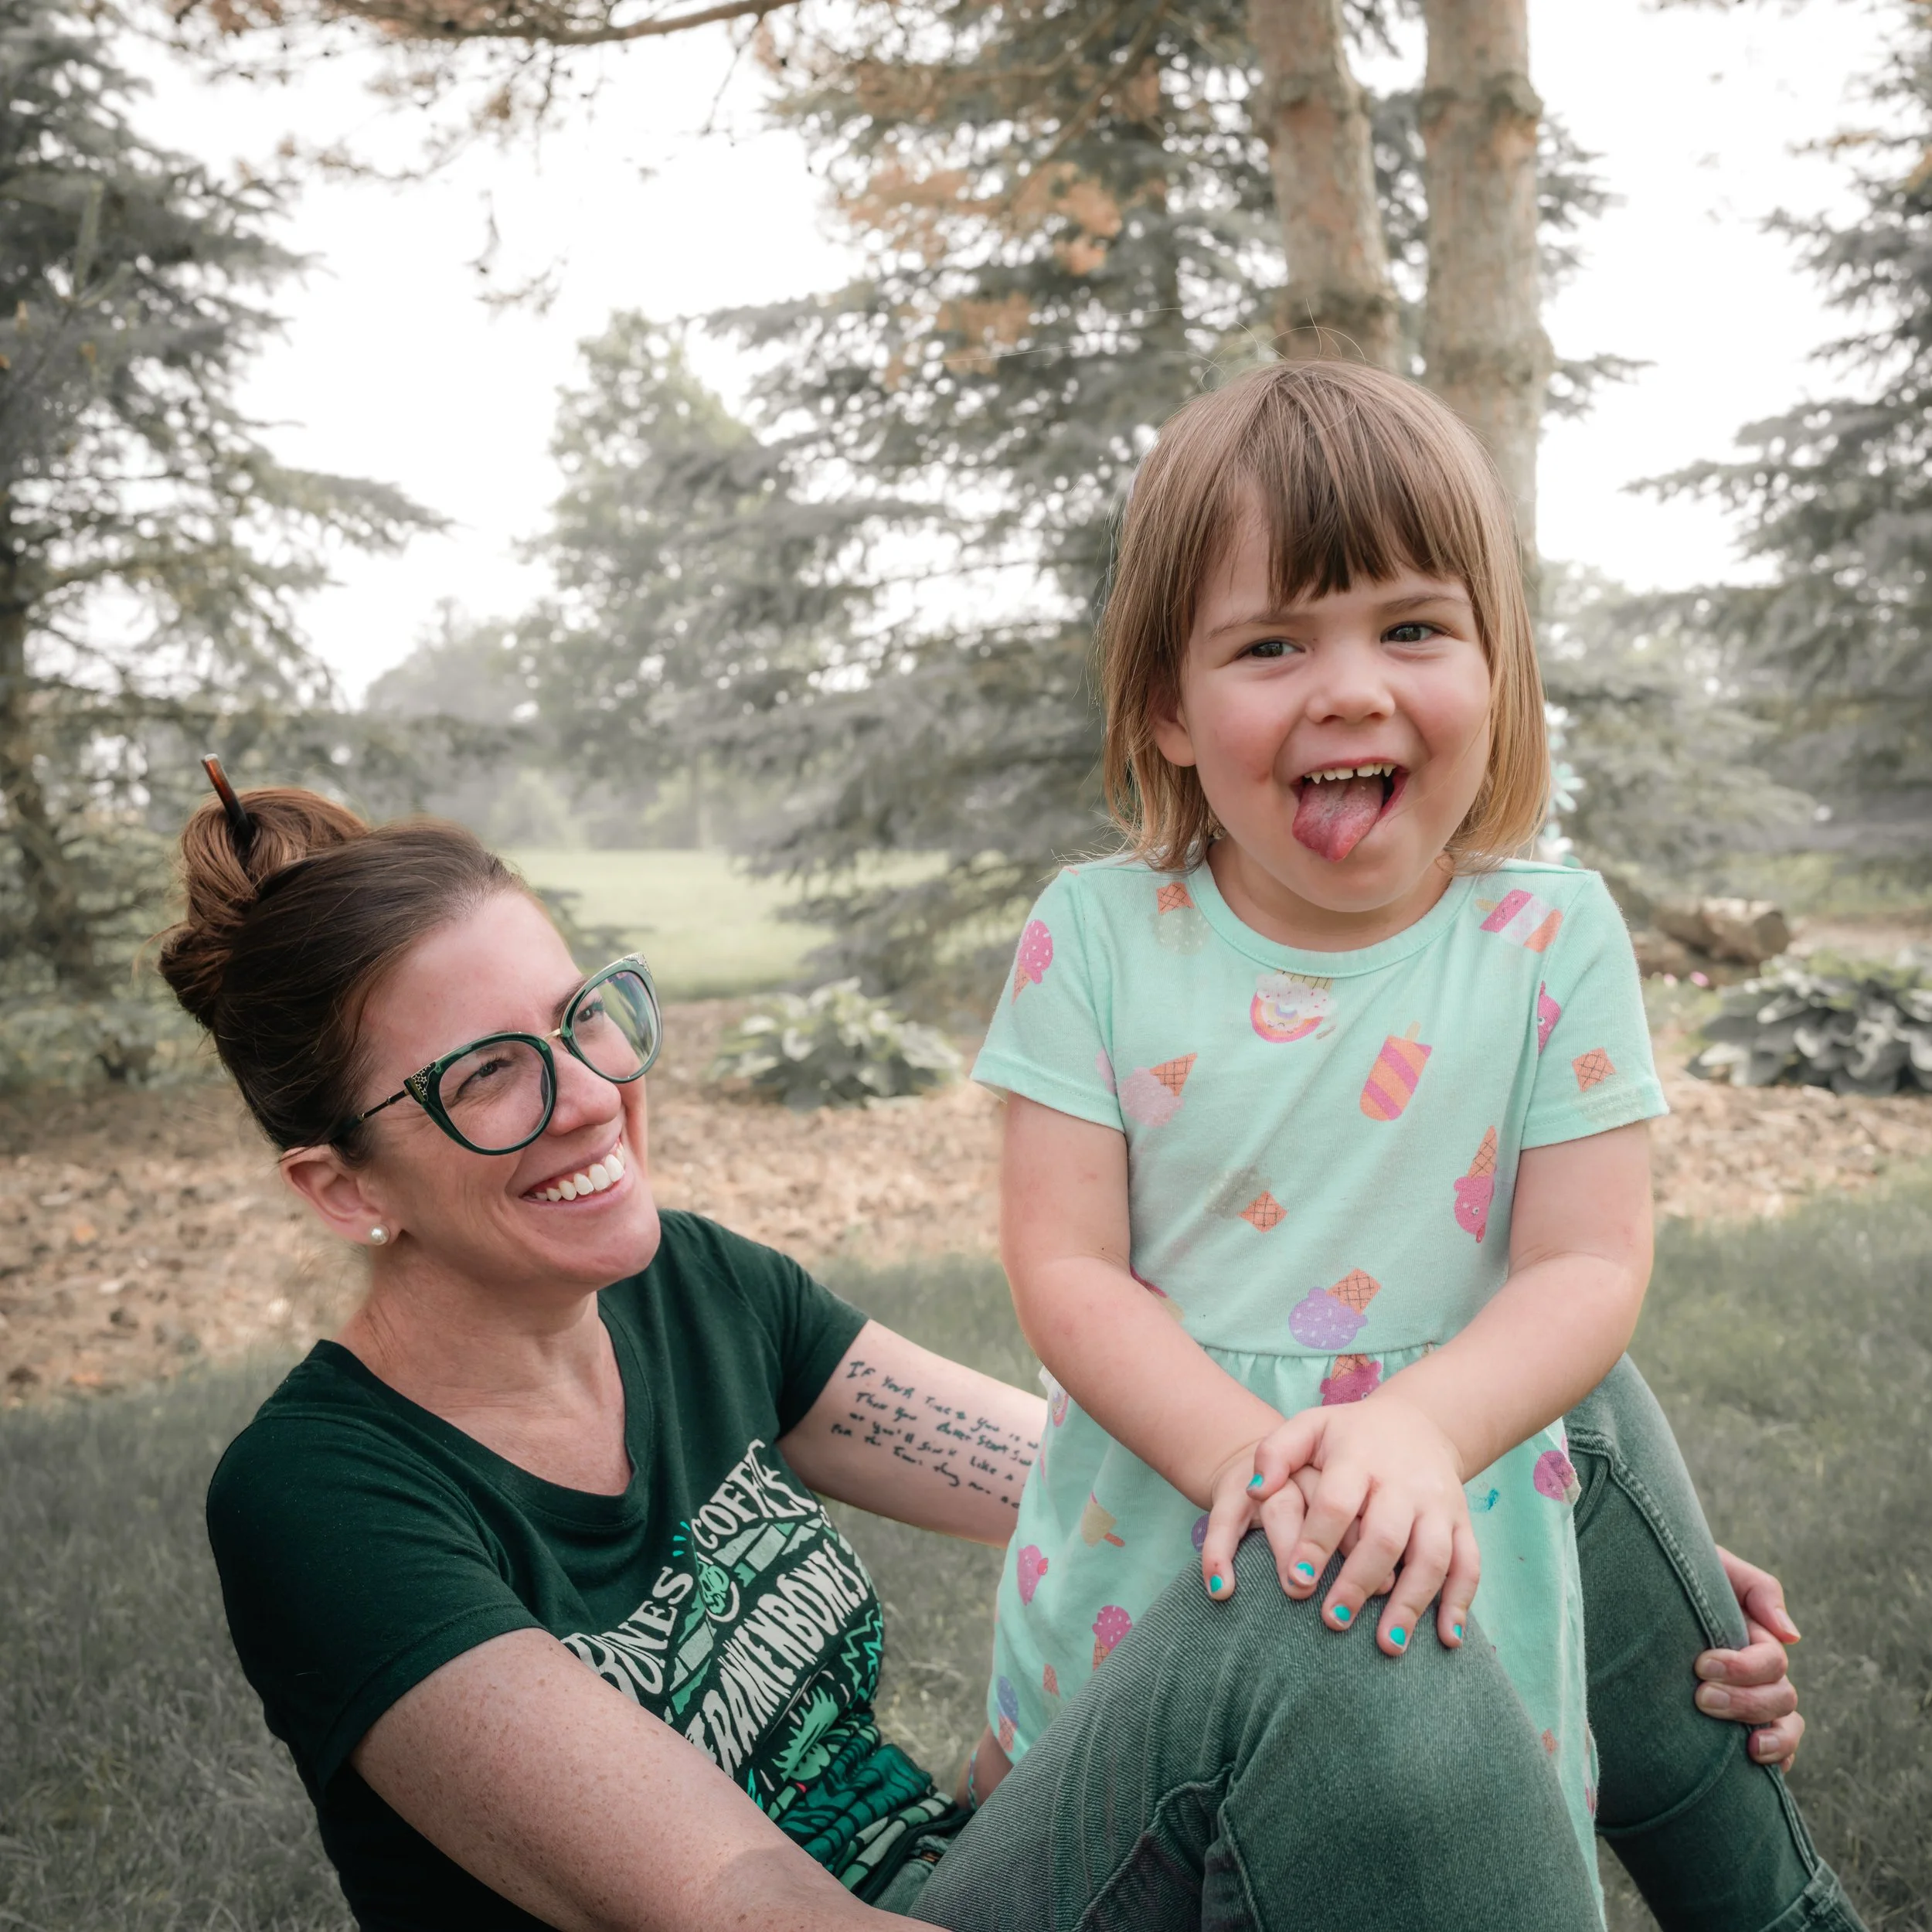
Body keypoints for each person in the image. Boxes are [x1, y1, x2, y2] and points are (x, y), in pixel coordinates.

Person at [158, 770, 1849, 1932]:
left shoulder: (689, 1287)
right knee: (1319, 1588)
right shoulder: (322, 1496)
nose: (592, 1090)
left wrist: (1526, 1510)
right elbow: (733, 1904)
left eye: (583, 1014)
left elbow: (1087, 1465)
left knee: (1492, 1412)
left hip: (978, 1864)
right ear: (335, 1183)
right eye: (488, 1076)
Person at [957, 360, 1860, 1929]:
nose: (1349, 687)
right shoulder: (1092, 934)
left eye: (1411, 627)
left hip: (1444, 1507)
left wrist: (1418, 1433)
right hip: (1159, 1538)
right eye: (1269, 643)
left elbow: (1584, 1258)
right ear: (1166, 705)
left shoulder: (1545, 937)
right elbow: (1064, 1268)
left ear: (1498, 668)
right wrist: (1264, 1461)